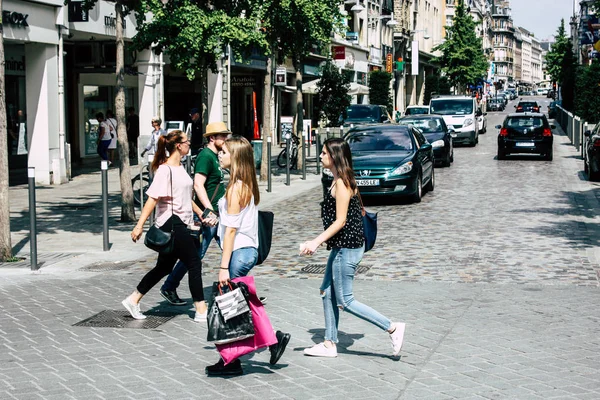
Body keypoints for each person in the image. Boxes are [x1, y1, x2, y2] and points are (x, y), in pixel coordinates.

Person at [300, 138, 405, 358]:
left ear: (335, 156)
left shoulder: (341, 184)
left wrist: (315, 242)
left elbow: (340, 221)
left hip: (346, 249)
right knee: (326, 292)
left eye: (324, 153)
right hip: (342, 247)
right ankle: (329, 343)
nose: (320, 156)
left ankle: (392, 327)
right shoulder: (340, 180)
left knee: (346, 301)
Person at [205, 136, 290, 376]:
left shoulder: (236, 188)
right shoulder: (243, 184)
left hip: (239, 253)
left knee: (231, 307)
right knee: (242, 304)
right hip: (244, 251)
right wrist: (217, 219)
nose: (219, 155)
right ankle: (271, 342)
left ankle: (232, 362)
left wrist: (223, 268)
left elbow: (232, 231)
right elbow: (233, 223)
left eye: (223, 152)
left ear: (236, 158)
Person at [125, 130, 208, 321]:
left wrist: (200, 213)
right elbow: (152, 199)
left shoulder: (180, 167)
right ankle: (201, 310)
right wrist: (139, 226)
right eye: (187, 142)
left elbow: (185, 198)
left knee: (163, 267)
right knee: (194, 262)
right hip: (172, 222)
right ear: (178, 145)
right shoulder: (165, 170)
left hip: (182, 221)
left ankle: (133, 299)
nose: (189, 144)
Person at [159, 121, 229, 306]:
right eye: (222, 135)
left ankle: (239, 288)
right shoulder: (206, 156)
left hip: (218, 214)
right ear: (212, 138)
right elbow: (198, 184)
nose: (226, 138)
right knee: (194, 256)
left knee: (231, 249)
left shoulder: (215, 156)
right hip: (208, 217)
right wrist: (208, 211)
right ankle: (169, 285)